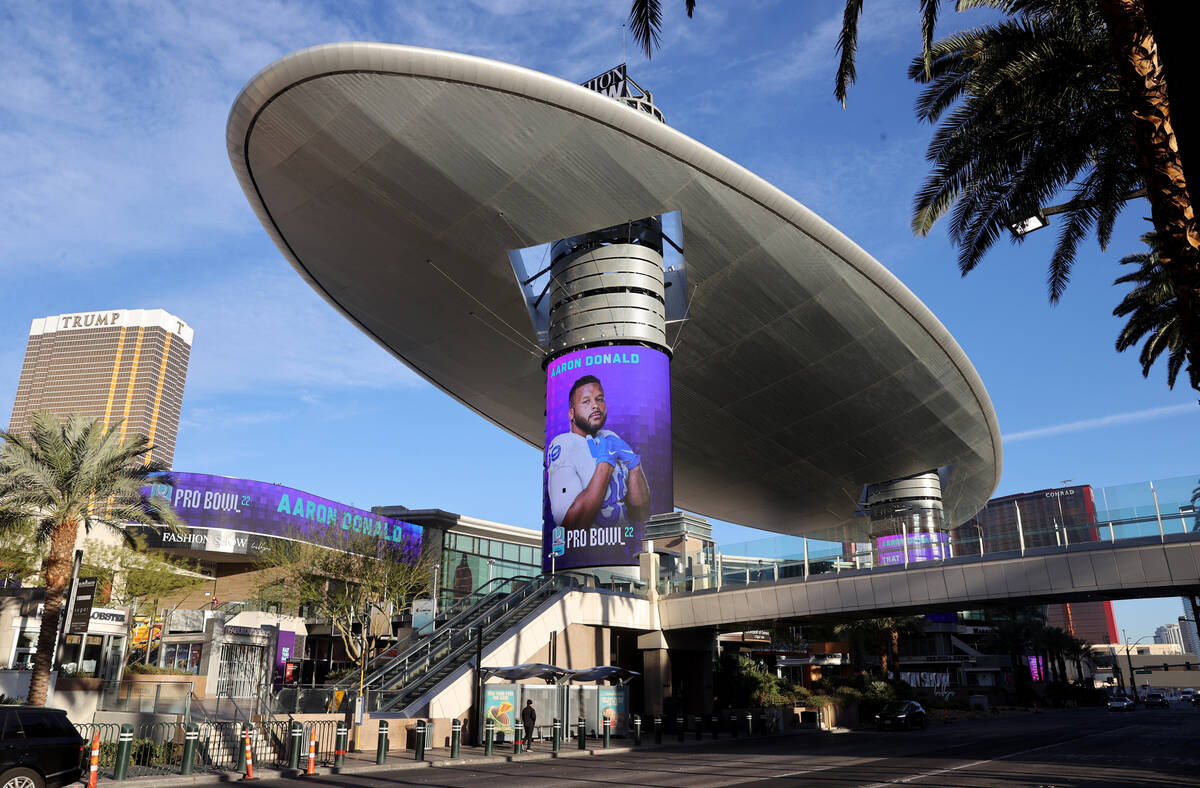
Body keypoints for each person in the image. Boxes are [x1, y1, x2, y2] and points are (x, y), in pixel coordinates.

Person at [546, 375, 650, 534]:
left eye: (599, 399)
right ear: (571, 414)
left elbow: (640, 511)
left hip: (625, 547)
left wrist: (635, 466)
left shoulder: (610, 436)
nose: (595, 405)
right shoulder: (563, 443)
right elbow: (570, 525)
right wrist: (605, 465)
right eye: (586, 401)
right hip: (588, 554)